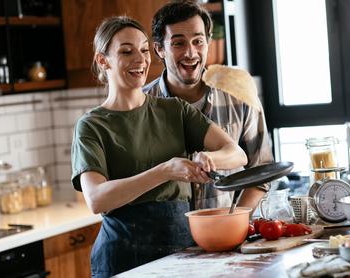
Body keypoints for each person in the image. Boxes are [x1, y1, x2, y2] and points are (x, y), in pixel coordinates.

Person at [71, 16, 247, 277]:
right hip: (123, 258)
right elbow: (97, 199)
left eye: (143, 50)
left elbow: (237, 154)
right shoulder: (91, 125)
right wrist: (165, 171)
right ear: (103, 60)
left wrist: (207, 157)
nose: (140, 60)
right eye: (126, 51)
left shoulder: (175, 110)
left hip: (181, 250)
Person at [144, 1, 274, 210]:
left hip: (225, 234)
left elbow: (261, 171)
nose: (191, 53)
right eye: (178, 43)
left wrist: (234, 221)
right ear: (159, 49)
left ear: (208, 42)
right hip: (162, 239)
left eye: (198, 41)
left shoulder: (238, 95)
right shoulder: (141, 104)